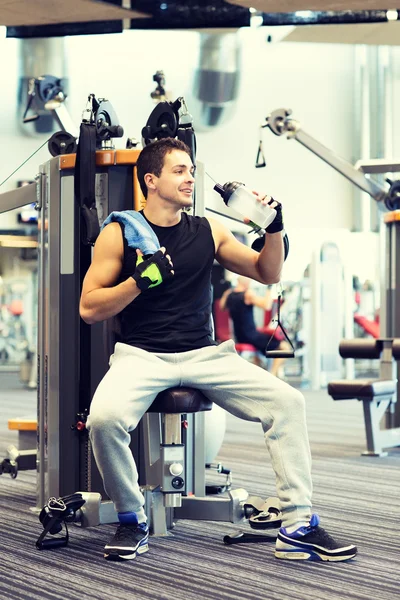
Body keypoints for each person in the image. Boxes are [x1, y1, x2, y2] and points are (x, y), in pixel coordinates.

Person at [79, 137, 357, 562]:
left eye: (191, 169)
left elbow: (267, 271)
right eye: (179, 171)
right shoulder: (120, 234)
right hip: (142, 355)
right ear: (151, 180)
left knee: (288, 402)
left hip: (205, 355)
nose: (190, 177)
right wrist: (139, 281)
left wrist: (275, 227)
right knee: (103, 420)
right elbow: (88, 309)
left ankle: (298, 523)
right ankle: (131, 518)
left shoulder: (208, 229)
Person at [220, 277, 291, 377]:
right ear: (247, 282)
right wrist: (269, 288)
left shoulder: (228, 294)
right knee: (285, 348)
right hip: (250, 336)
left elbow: (222, 307)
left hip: (239, 336)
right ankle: (272, 375)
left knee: (259, 355)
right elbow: (267, 306)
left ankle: (260, 374)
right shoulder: (248, 294)